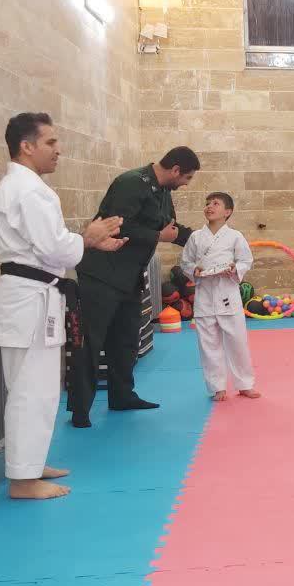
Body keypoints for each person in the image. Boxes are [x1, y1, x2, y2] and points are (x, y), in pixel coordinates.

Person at [0, 113, 126, 499]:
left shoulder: (26, 187)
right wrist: (88, 237)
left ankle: (30, 465)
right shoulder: (27, 191)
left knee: (41, 389)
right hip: (29, 300)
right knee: (30, 390)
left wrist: (87, 242)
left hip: (35, 296)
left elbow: (52, 247)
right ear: (26, 146)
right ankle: (22, 480)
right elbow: (54, 249)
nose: (58, 150)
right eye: (50, 142)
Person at [68, 147, 200, 428]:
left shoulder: (163, 192)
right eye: (187, 177)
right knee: (92, 342)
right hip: (102, 274)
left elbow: (170, 228)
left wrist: (208, 241)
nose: (186, 183)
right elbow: (116, 226)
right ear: (175, 170)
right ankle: (80, 410)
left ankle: (122, 396)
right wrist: (157, 236)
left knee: (127, 339)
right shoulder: (130, 183)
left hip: (129, 276)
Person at [180, 193, 259, 402]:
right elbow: (185, 262)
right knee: (208, 345)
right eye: (207, 203)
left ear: (227, 212)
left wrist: (235, 269)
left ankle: (245, 384)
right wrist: (194, 270)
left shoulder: (235, 236)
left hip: (228, 294)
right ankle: (217, 387)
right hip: (204, 295)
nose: (209, 207)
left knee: (238, 342)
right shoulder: (196, 237)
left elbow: (245, 260)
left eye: (215, 204)